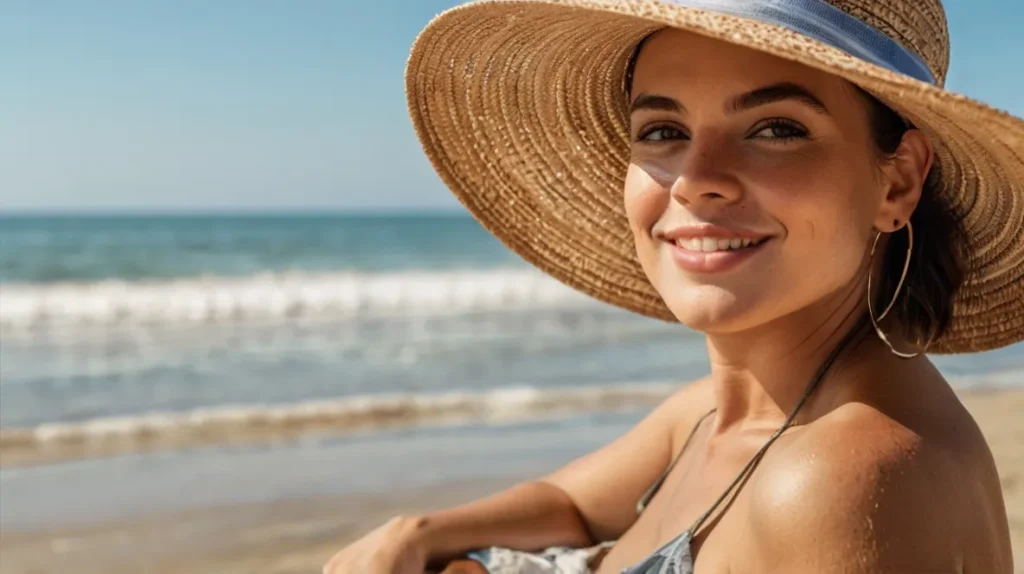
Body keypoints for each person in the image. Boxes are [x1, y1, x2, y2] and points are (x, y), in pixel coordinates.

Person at [325, 0, 1023, 572]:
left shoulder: (836, 479)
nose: (696, 179)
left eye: (776, 128)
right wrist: (421, 532)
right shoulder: (712, 416)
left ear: (896, 182)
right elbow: (569, 506)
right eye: (662, 130)